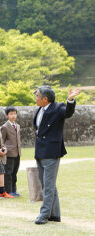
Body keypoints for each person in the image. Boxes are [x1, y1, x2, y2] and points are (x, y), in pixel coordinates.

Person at [33, 86, 79, 225]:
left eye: (37, 96)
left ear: (45, 98)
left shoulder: (58, 108)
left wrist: (70, 100)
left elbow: (68, 113)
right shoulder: (39, 109)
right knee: (47, 184)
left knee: (48, 185)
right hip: (40, 151)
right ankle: (55, 214)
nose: (36, 98)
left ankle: (44, 215)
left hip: (51, 151)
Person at [1, 107, 22, 197]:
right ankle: (8, 191)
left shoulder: (17, 126)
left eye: (14, 113)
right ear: (7, 115)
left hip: (17, 153)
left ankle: (14, 190)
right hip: (9, 153)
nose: (13, 115)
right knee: (8, 173)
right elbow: (1, 140)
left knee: (14, 173)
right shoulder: (4, 127)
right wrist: (5, 149)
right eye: (11, 114)